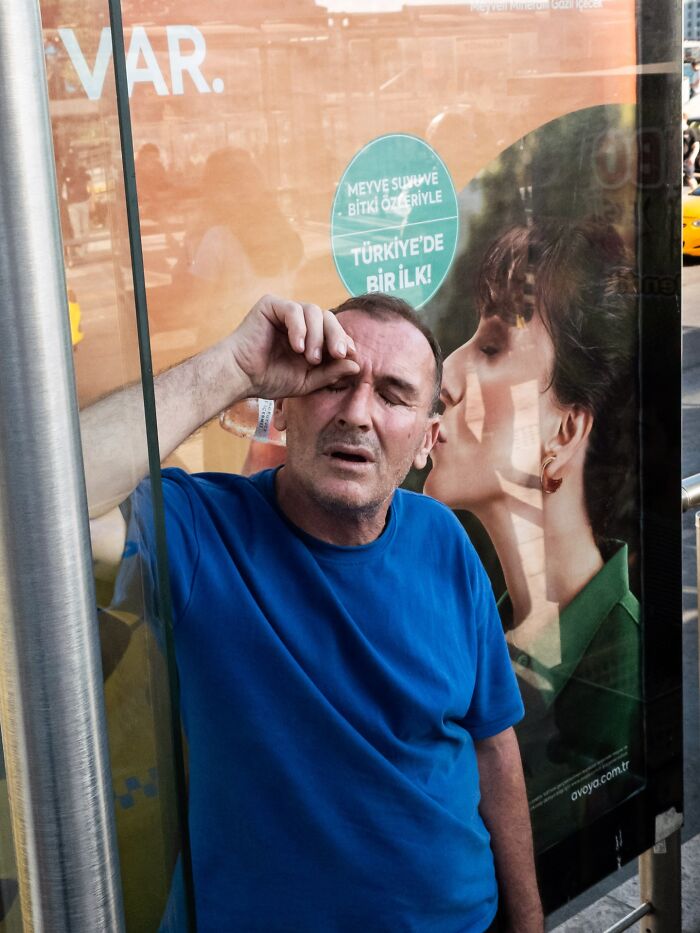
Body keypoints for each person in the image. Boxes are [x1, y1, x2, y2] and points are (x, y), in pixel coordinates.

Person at [84, 293, 543, 932]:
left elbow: (493, 746)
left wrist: (529, 924)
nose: (357, 414)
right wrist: (234, 368)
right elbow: (38, 506)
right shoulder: (201, 532)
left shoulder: (445, 540)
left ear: (425, 443)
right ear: (286, 411)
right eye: (333, 383)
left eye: (392, 395)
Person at [424, 221, 642, 852]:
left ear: (565, 434)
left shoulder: (616, 674)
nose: (449, 374)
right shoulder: (492, 627)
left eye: (491, 348)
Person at [683, 113, 699, 192]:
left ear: (684, 119)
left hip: (687, 160)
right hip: (676, 160)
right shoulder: (677, 132)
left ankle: (696, 193)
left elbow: (696, 146)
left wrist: (692, 158)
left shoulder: (691, 131)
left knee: (690, 178)